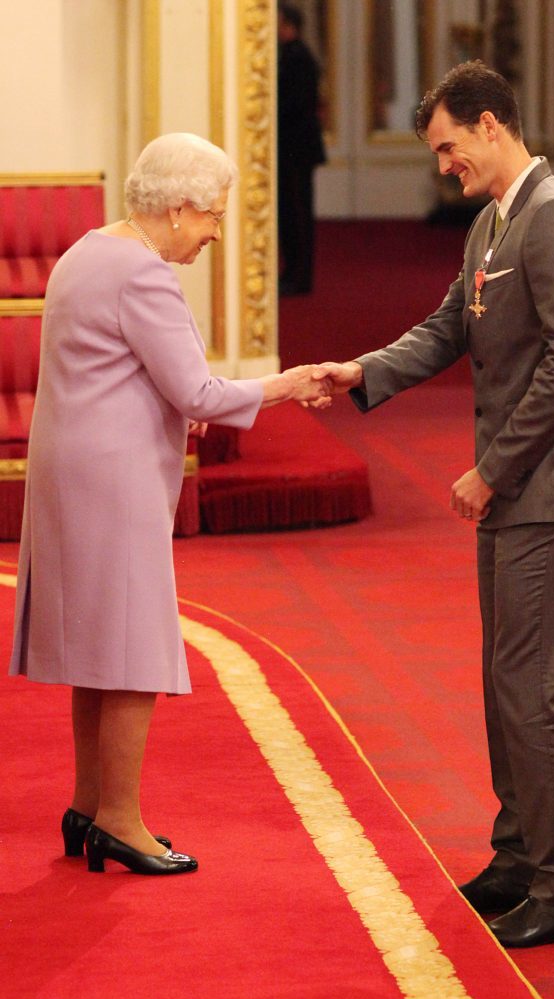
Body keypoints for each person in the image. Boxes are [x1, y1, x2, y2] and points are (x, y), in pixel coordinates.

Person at [311, 61, 554, 947]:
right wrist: (363, 372)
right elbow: (452, 323)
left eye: (448, 147)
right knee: (505, 683)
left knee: (529, 687)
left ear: (491, 125)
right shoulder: (494, 221)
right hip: (523, 488)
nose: (441, 166)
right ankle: (518, 855)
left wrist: (489, 470)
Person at [9, 132, 330, 876]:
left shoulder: (88, 249)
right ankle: (120, 819)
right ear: (180, 209)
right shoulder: (144, 275)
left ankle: (89, 805)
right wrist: (290, 381)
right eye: (214, 215)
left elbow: (114, 366)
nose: (217, 231)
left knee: (95, 646)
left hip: (68, 469)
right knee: (129, 651)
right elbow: (197, 393)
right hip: (113, 480)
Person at [277, 2, 326, 295]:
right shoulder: (291, 55)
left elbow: (296, 104)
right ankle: (292, 272)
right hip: (293, 148)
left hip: (297, 149)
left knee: (297, 213)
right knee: (291, 213)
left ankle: (299, 276)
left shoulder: (299, 58)